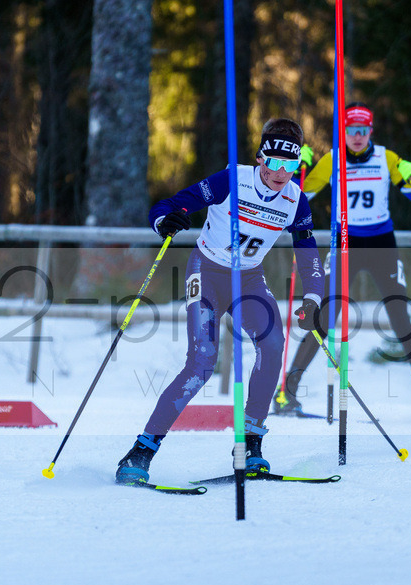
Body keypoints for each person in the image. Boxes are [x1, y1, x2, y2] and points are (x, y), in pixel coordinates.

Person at [115, 118, 324, 485]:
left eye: (290, 166)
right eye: (274, 163)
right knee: (202, 362)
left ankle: (251, 444)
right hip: (207, 272)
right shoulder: (232, 180)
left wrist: (312, 298)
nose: (281, 174)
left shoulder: (296, 201)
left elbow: (308, 255)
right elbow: (172, 205)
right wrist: (165, 220)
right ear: (261, 158)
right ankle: (142, 450)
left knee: (274, 344)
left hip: (249, 280)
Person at [274, 102, 411, 421]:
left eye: (362, 130)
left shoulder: (387, 158)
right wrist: (301, 169)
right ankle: (287, 395)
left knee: (400, 320)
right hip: (346, 244)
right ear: (344, 132)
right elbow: (295, 198)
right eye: (350, 130)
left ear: (370, 131)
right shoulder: (333, 159)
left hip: (381, 244)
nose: (356, 136)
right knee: (324, 318)